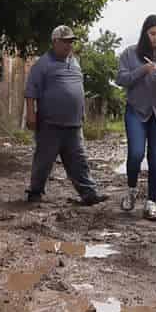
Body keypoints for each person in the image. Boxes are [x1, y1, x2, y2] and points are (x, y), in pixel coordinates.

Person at [24, 25, 106, 206]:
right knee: (44, 161)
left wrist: (82, 111)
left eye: (71, 42)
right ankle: (35, 192)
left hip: (73, 124)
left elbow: (79, 89)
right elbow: (31, 90)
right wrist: (30, 115)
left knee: (79, 160)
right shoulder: (43, 64)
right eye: (65, 42)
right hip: (49, 123)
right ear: (55, 42)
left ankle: (89, 193)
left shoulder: (75, 62)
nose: (69, 46)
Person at [116, 15, 156, 221]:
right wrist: (143, 70)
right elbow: (121, 79)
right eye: (152, 33)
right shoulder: (130, 53)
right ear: (144, 33)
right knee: (136, 152)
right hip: (136, 110)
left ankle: (151, 202)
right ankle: (132, 190)